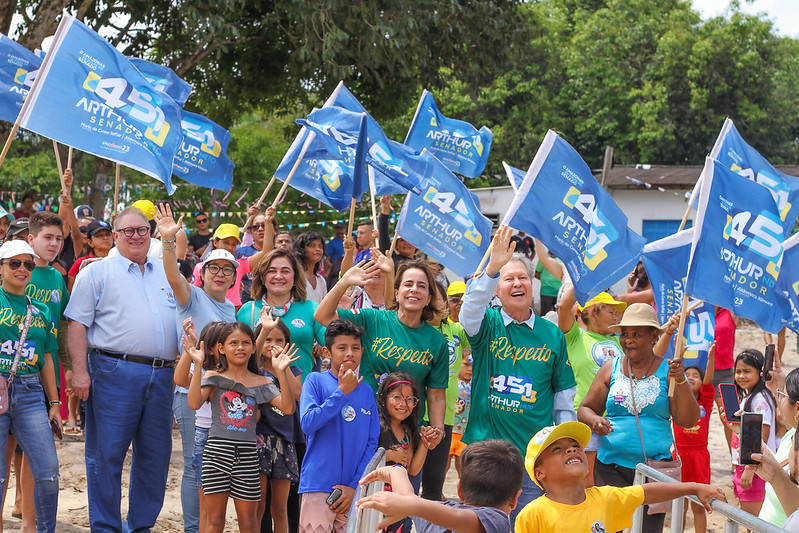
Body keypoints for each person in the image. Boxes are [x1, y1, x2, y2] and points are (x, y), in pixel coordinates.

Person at [65, 206, 181, 532]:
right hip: (113, 371)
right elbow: (77, 324)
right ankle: (106, 527)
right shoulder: (96, 272)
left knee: (155, 457)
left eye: (142, 230)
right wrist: (79, 372)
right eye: (128, 230)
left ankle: (140, 526)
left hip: (163, 375)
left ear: (150, 234)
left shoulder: (166, 272)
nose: (136, 236)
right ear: (115, 235)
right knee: (107, 455)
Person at [458, 226, 576, 525]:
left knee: (526, 526)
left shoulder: (552, 334)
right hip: (485, 451)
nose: (517, 283)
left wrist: (564, 446)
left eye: (522, 277)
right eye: (507, 279)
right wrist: (492, 269)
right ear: (496, 291)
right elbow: (468, 311)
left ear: (532, 284)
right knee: (482, 526)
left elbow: (564, 398)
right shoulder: (486, 324)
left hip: (533, 458)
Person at [578, 302, 700, 533]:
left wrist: (681, 380)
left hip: (653, 473)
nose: (628, 340)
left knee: (647, 530)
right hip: (610, 468)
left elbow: (688, 420)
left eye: (636, 334)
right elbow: (585, 408)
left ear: (654, 336)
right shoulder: (610, 368)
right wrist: (595, 420)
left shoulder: (669, 370)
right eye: (624, 334)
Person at [154, 203, 238, 533]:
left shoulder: (232, 309)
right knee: (195, 464)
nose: (220, 273)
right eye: (214, 268)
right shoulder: (191, 297)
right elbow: (172, 275)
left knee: (213, 465)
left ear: (234, 277)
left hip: (220, 396)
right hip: (189, 391)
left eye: (227, 269)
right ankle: (193, 528)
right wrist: (168, 241)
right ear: (203, 273)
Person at [315, 256, 449, 456]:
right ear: (396, 293)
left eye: (421, 286)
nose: (414, 289)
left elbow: (436, 395)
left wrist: (438, 430)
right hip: (365, 424)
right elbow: (322, 316)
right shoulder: (373, 320)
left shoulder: (437, 341)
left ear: (429, 298)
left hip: (406, 433)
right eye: (408, 284)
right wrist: (344, 282)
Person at [187, 322, 299, 533]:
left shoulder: (261, 381)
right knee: (214, 521)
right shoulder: (212, 377)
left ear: (253, 347)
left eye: (246, 343)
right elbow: (193, 403)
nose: (240, 347)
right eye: (233, 343)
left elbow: (288, 408)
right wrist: (198, 364)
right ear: (221, 348)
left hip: (247, 456)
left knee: (249, 523)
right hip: (216, 454)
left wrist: (281, 372)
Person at [514, 422, 726, 533]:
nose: (571, 450)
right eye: (557, 449)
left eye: (576, 446)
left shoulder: (603, 498)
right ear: (539, 473)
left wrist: (694, 488)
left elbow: (645, 493)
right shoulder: (533, 514)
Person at [0, 240, 61, 532]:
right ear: (1, 268)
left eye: (28, 264)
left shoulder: (41, 310)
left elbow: (47, 357)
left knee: (48, 472)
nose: (22, 269)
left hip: (30, 393)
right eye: (15, 263)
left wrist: (55, 403)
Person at [298, 320, 379, 533]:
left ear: (362, 351)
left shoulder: (367, 391)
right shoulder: (315, 381)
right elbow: (308, 424)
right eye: (342, 348)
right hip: (318, 485)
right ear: (327, 352)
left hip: (354, 491)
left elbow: (371, 444)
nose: (349, 353)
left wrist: (355, 486)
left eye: (355, 348)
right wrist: (341, 392)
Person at [358, 439, 524, 533]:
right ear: (515, 499)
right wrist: (398, 475)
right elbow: (457, 518)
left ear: (459, 490)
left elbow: (410, 499)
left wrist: (396, 472)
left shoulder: (431, 515)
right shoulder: (497, 519)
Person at [558, 286, 625, 486]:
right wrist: (585, 278)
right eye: (611, 312)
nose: (616, 316)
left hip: (616, 421)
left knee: (609, 482)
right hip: (584, 419)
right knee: (586, 480)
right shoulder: (575, 336)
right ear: (593, 314)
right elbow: (564, 307)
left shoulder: (620, 341)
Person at [237, 248, 326, 379]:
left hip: (301, 390)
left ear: (295, 277)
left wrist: (341, 312)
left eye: (285, 271)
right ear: (262, 277)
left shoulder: (311, 308)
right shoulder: (247, 310)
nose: (278, 276)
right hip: (258, 390)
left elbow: (333, 343)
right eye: (272, 271)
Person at [174, 320, 227, 533]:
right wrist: (191, 351)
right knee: (207, 508)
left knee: (219, 508)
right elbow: (180, 379)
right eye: (223, 344)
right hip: (207, 437)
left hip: (233, 437)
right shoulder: (203, 370)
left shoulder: (238, 370)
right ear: (211, 348)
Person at [253, 318, 303, 533]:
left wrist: (283, 368)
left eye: (279, 340)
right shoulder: (254, 369)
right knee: (259, 505)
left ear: (287, 344)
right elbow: (253, 354)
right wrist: (263, 331)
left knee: (280, 509)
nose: (273, 344)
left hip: (285, 440)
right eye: (268, 339)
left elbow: (298, 394)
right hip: (260, 438)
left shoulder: (292, 369)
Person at [421, 281, 470, 501]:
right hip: (415, 413)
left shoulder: (456, 330)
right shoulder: (417, 329)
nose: (434, 303)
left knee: (434, 484)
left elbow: (476, 329)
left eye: (437, 298)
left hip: (445, 416)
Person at [726, 349, 777, 517]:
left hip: (755, 467)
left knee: (754, 520)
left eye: (747, 371)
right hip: (747, 464)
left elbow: (762, 435)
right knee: (748, 516)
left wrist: (749, 467)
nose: (741, 376)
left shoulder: (760, 399)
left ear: (759, 372)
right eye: (738, 371)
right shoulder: (749, 397)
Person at [377, 372, 430, 532]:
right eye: (397, 397)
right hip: (377, 503)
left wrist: (425, 443)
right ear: (383, 398)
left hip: (398, 505)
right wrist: (388, 455)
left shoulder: (407, 431)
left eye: (410, 399)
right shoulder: (375, 426)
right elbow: (362, 460)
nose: (404, 404)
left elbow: (412, 469)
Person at [673, 344, 716, 533]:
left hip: (699, 458)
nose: (690, 377)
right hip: (679, 456)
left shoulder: (705, 401)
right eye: (687, 374)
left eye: (695, 376)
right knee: (679, 505)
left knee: (699, 505)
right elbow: (675, 378)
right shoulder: (676, 398)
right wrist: (679, 354)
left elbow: (708, 381)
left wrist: (711, 358)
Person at [192, 222, 271, 309]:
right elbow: (194, 295)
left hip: (233, 314)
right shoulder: (200, 267)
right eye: (226, 242)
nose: (229, 247)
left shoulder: (240, 264)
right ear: (215, 242)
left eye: (233, 244)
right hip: (207, 311)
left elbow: (266, 253)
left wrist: (268, 222)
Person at [759, 366, 799, 527]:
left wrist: (775, 475)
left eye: (783, 395)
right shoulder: (792, 433)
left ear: (797, 407)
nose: (779, 400)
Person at [714, 307, 737, 453]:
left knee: (730, 417)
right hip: (699, 370)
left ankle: (734, 457)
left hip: (724, 372)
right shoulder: (698, 308)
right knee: (697, 419)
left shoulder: (730, 310)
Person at [67, 220, 113, 291]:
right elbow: (71, 290)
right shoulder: (81, 263)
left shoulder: (120, 261)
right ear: (90, 242)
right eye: (99, 235)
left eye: (108, 234)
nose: (105, 238)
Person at [449, 355, 472, 478]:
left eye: (473, 365)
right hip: (450, 430)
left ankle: (463, 487)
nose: (470, 369)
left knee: (463, 465)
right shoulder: (452, 382)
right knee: (443, 464)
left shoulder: (475, 384)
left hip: (465, 432)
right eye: (466, 364)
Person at [293, 231, 327, 303]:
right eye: (312, 246)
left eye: (320, 246)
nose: (318, 249)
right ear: (301, 249)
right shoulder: (294, 278)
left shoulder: (321, 280)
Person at [325, 223, 346, 288]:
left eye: (341, 229)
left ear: (345, 230)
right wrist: (333, 267)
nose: (339, 231)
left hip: (347, 270)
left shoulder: (348, 241)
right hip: (336, 272)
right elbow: (326, 260)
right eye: (337, 229)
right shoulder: (332, 242)